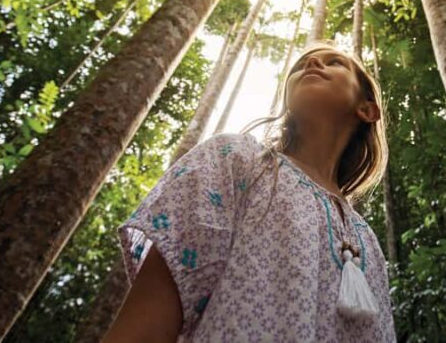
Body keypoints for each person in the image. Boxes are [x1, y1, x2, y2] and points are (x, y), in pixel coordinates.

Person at [102, 40, 396, 342]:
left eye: (334, 62)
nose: (311, 64)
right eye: (300, 65)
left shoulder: (368, 240)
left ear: (367, 109)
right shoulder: (233, 159)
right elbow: (145, 321)